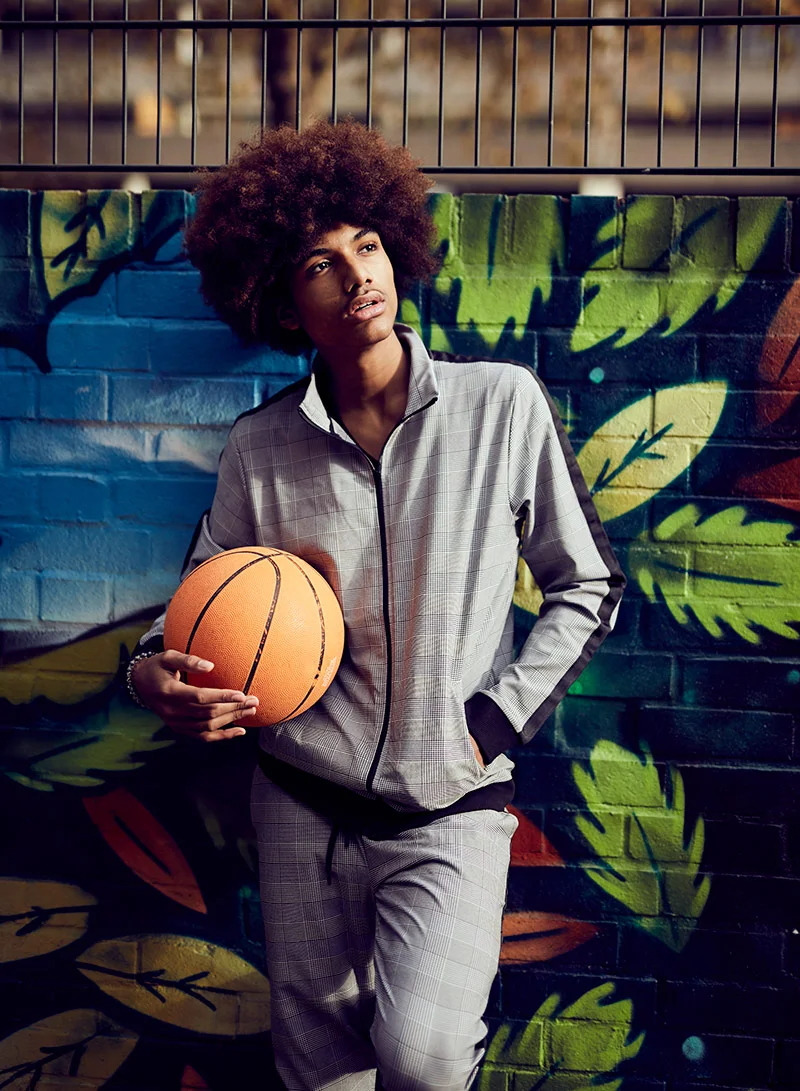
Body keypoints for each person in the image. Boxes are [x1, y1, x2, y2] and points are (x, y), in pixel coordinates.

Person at [127, 120, 625, 1091]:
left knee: (424, 1058)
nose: (357, 273)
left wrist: (491, 717)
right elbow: (185, 610)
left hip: (450, 807)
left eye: (366, 243)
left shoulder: (498, 406)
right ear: (278, 296)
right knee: (318, 1070)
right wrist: (152, 674)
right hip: (298, 807)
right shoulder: (259, 448)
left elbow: (588, 582)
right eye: (320, 260)